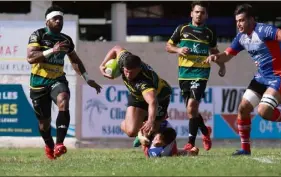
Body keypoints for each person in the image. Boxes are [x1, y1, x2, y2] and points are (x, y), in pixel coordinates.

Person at [203, 4, 281, 155]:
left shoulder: (264, 30)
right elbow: (227, 55)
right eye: (237, 21)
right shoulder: (241, 37)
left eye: (242, 20)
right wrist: (216, 57)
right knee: (243, 109)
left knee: (264, 111)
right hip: (262, 77)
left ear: (252, 20)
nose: (239, 24)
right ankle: (245, 149)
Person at [26, 5, 102, 160]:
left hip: (57, 79)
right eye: (55, 18)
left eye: (61, 18)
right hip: (38, 84)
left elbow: (74, 60)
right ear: (47, 21)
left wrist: (87, 78)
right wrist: (51, 51)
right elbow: (31, 57)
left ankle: (60, 144)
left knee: (64, 100)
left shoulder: (66, 40)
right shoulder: (38, 35)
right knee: (44, 124)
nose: (59, 21)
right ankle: (49, 145)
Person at [165, 1, 223, 151]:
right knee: (192, 111)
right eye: (197, 12)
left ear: (206, 15)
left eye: (202, 12)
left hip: (201, 72)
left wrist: (222, 65)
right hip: (184, 74)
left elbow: (214, 51)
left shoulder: (209, 32)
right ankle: (205, 131)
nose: (199, 15)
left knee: (192, 106)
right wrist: (178, 50)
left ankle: (190, 142)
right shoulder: (182, 29)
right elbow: (168, 46)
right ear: (191, 13)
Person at [99, 45, 172, 141]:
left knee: (152, 130)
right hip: (137, 96)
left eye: (131, 72)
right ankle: (139, 127)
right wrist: (102, 65)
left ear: (139, 69)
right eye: (126, 71)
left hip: (160, 96)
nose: (128, 75)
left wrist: (150, 120)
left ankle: (155, 124)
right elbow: (116, 48)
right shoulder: (124, 60)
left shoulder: (144, 82)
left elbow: (152, 102)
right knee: (131, 132)